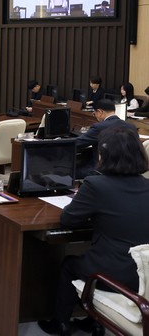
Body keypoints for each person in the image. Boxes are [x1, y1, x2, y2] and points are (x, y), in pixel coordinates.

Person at [37, 126, 149, 336]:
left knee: (70, 264)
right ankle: (94, 321)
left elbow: (68, 220)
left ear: (103, 155)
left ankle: (61, 323)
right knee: (93, 254)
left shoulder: (96, 185)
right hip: (143, 275)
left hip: (114, 274)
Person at [75, 99, 137, 177]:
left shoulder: (99, 127)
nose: (95, 116)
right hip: (128, 168)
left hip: (104, 169)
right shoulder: (131, 126)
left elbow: (78, 143)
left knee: (72, 171)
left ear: (100, 112)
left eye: (94, 114)